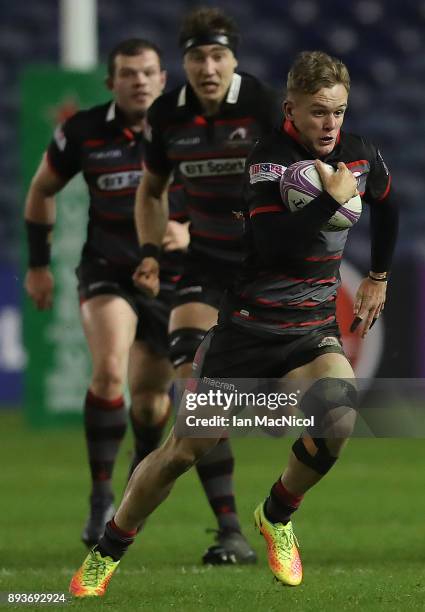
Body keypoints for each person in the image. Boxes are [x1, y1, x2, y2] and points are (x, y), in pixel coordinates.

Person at [69, 48, 399, 596]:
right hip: (247, 331)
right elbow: (273, 247)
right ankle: (110, 548)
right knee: (182, 451)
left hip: (311, 328)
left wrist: (379, 275)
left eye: (338, 111)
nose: (330, 124)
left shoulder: (360, 155)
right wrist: (330, 203)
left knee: (339, 411)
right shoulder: (267, 159)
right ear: (290, 108)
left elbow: (389, 205)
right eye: (318, 111)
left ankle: (277, 515)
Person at [24, 38, 190, 548]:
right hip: (106, 270)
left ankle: (137, 472)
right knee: (109, 370)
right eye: (127, 73)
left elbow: (230, 200)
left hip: (169, 277)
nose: (138, 80)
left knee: (149, 402)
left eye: (147, 72)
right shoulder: (83, 130)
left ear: (163, 80)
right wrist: (37, 267)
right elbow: (42, 191)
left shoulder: (188, 132)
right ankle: (101, 497)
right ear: (110, 82)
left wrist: (188, 230)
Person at [133, 6, 282, 565]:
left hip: (266, 275)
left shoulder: (265, 106)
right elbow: (151, 191)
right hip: (202, 270)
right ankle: (230, 533)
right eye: (198, 56)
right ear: (185, 63)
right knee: (197, 397)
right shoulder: (167, 116)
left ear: (234, 59)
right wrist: (150, 250)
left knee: (296, 406)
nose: (208, 66)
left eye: (218, 55)